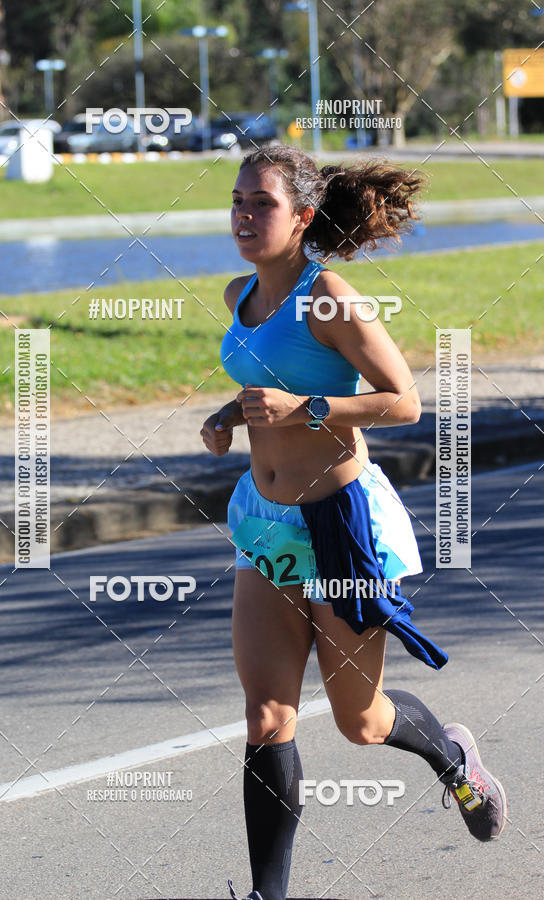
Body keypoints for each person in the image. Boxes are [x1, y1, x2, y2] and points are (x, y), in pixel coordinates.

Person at [200, 145, 506, 900]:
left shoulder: (328, 295)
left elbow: (403, 400)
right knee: (267, 715)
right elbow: (263, 385)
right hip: (266, 527)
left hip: (340, 530)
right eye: (238, 200)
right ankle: (270, 895)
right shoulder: (241, 293)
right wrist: (228, 413)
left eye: (261, 203)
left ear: (302, 217)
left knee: (361, 723)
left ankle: (452, 757)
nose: (243, 214)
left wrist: (307, 409)